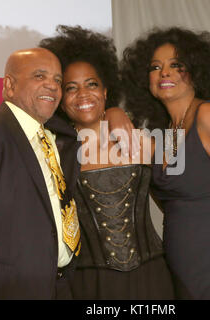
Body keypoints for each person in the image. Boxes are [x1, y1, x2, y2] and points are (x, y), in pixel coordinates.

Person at [0, 47, 134, 300]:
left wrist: (114, 111)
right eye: (39, 76)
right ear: (10, 85)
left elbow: (89, 113)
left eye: (57, 80)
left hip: (63, 287)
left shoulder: (60, 136)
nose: (52, 86)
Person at [121, 27, 210, 300]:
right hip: (181, 269)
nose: (164, 72)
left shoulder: (209, 115)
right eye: (155, 67)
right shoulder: (164, 134)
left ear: (197, 71)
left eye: (176, 65)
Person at [40, 26, 174, 299]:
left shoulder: (138, 138)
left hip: (152, 278)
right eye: (71, 88)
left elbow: (185, 191)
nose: (83, 94)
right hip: (90, 284)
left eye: (92, 84)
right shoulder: (55, 152)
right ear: (60, 99)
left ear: (105, 90)